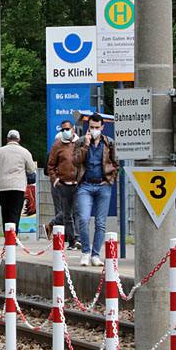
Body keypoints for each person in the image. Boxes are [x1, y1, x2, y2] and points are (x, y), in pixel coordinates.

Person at [73, 113, 118, 266]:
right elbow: (76, 161)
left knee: (100, 223)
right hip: (85, 185)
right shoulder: (80, 142)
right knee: (84, 219)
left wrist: (110, 180)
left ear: (102, 127)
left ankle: (96, 255)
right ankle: (85, 251)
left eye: (97, 127)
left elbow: (115, 163)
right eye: (91, 127)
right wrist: (85, 145)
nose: (94, 130)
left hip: (103, 185)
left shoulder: (109, 143)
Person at [0, 129, 36, 230]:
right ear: (18, 139)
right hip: (17, 186)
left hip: (1, 186)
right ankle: (13, 236)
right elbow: (31, 169)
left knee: (5, 210)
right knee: (15, 211)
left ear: (7, 139)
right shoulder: (24, 152)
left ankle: (7, 236)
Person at [46, 119, 79, 248]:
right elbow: (50, 166)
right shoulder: (57, 146)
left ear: (73, 129)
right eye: (63, 129)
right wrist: (55, 180)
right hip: (64, 184)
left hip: (77, 183)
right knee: (67, 214)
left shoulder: (80, 143)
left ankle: (78, 238)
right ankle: (71, 240)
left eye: (68, 129)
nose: (66, 131)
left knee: (78, 211)